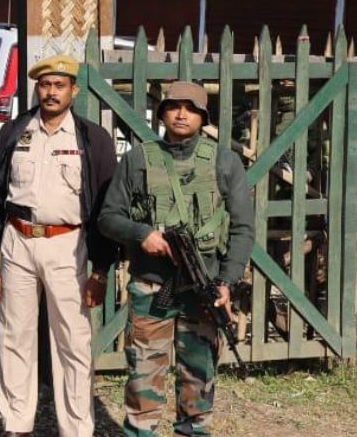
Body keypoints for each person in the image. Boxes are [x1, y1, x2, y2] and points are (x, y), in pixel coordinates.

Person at [98, 81, 255, 437]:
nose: (182, 114)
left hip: (204, 288)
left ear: (203, 116)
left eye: (191, 108)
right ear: (162, 113)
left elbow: (243, 228)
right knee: (142, 378)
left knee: (198, 383)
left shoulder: (225, 161)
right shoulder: (139, 158)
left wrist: (226, 282)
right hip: (152, 286)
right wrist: (143, 235)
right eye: (174, 107)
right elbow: (108, 217)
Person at [0, 54, 118, 437]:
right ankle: (16, 423)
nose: (51, 92)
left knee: (72, 341)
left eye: (59, 85)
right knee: (14, 335)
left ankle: (75, 428)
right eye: (44, 85)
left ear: (73, 90)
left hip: (67, 246)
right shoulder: (14, 133)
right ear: (37, 88)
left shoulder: (92, 140)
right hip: (18, 241)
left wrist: (101, 271)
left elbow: (106, 208)